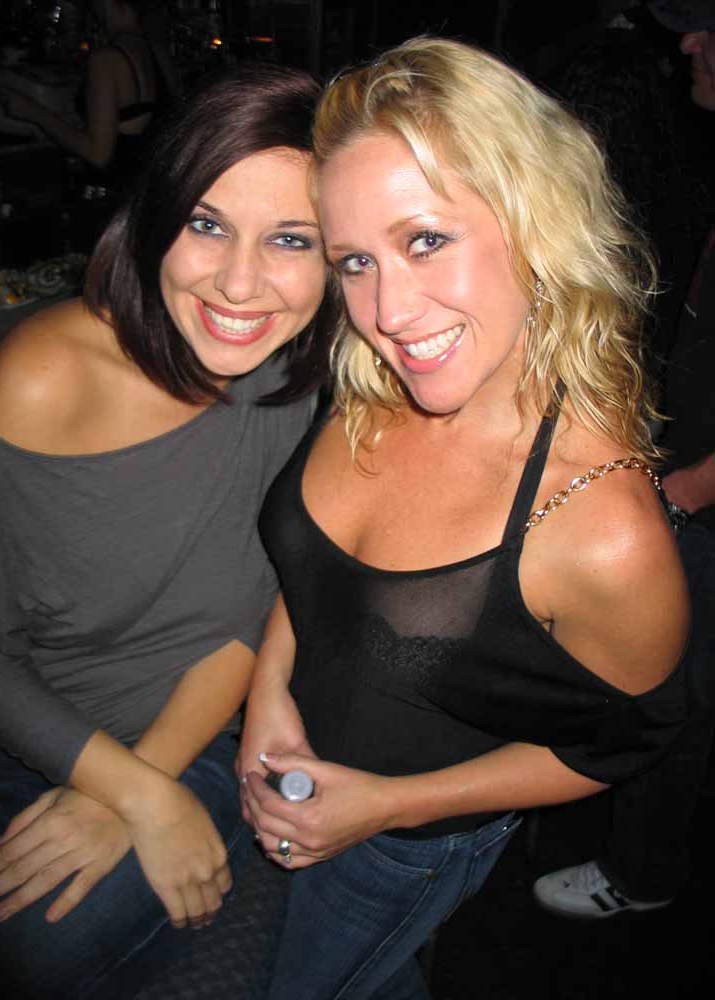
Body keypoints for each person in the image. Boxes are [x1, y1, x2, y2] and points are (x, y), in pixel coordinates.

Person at [236, 35, 690, 1000]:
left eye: (426, 240)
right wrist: (268, 692)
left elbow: (624, 743)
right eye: (354, 261)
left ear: (535, 223)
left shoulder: (602, 529)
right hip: (283, 763)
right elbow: (319, 574)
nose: (388, 312)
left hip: (402, 849)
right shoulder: (373, 383)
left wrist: (387, 807)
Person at [0, 62, 329, 999]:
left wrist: (152, 782)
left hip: (197, 730)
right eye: (207, 224)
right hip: (26, 738)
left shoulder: (291, 374)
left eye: (291, 239)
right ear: (154, 220)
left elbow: (248, 611)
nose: (240, 284)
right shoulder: (44, 377)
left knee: (27, 952)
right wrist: (130, 794)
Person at [533, 0, 715, 921]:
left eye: (710, 26)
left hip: (688, 494)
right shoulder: (690, 167)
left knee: (675, 694)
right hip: (658, 451)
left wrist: (683, 491)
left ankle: (641, 875)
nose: (690, 42)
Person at [0, 0, 178, 193]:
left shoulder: (105, 60)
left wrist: (33, 112)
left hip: (113, 193)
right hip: (151, 191)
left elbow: (98, 154)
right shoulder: (159, 52)